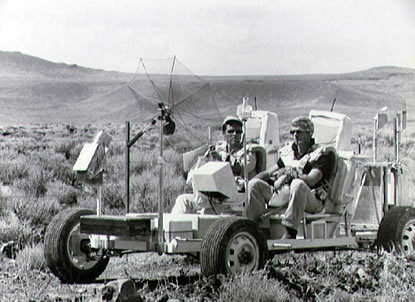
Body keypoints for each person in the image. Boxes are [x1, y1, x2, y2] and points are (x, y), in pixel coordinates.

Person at [246, 116, 335, 239]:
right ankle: (259, 230)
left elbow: (312, 179)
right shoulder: (289, 153)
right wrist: (248, 182)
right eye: (293, 132)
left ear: (309, 133)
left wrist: (288, 176)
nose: (295, 135)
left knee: (297, 184)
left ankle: (290, 231)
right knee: (254, 185)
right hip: (286, 194)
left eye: (299, 132)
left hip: (311, 199)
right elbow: (268, 173)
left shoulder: (321, 154)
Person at [171, 115, 257, 214]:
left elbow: (242, 169)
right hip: (212, 193)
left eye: (238, 132)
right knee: (183, 200)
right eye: (230, 131)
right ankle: (170, 228)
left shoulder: (248, 152)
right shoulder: (217, 149)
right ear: (224, 133)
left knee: (208, 210)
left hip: (233, 198)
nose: (235, 134)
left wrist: (223, 158)